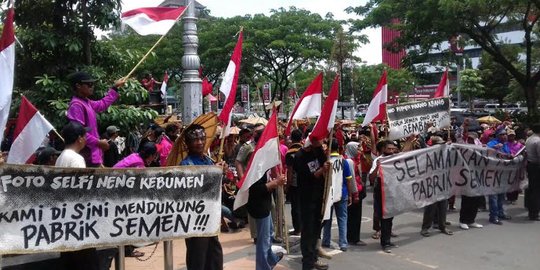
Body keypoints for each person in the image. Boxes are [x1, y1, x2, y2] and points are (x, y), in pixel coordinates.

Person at [56, 122, 115, 270]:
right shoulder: (76, 159)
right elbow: (82, 191)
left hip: (66, 223)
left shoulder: (61, 157)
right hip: (79, 224)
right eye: (84, 135)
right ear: (79, 139)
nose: (86, 139)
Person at [179, 124, 224, 270]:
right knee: (198, 257)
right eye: (195, 139)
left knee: (214, 255)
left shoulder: (208, 160)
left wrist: (219, 170)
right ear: (187, 143)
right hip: (195, 220)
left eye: (201, 138)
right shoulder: (186, 165)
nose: (199, 142)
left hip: (210, 217)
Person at [66, 71, 124, 167]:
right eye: (89, 84)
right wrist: (99, 142)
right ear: (78, 86)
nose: (92, 86)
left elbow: (101, 104)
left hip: (94, 155)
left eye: (92, 84)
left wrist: (115, 88)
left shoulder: (86, 102)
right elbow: (78, 133)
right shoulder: (76, 105)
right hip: (86, 154)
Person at [292, 136, 330, 270]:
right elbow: (307, 175)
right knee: (308, 231)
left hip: (319, 197)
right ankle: (307, 263)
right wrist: (321, 170)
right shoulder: (299, 156)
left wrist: (324, 156)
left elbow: (325, 163)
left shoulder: (317, 151)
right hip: (306, 199)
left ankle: (314, 257)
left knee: (316, 230)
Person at [247, 170, 286, 270]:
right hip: (259, 206)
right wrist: (276, 182)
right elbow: (256, 189)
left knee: (268, 235)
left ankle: (271, 259)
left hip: (265, 204)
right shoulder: (258, 166)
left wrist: (276, 181)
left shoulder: (265, 165)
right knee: (263, 241)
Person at [322, 139, 355, 252]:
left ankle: (326, 240)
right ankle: (343, 243)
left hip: (328, 194)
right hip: (342, 193)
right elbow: (349, 180)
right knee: (342, 218)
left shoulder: (326, 162)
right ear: (339, 148)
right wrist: (350, 194)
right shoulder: (344, 162)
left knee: (327, 218)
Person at [420, 136, 454, 237]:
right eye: (440, 143)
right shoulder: (428, 151)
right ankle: (425, 228)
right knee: (430, 208)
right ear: (434, 145)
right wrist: (425, 129)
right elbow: (422, 141)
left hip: (443, 184)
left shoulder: (445, 152)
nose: (442, 145)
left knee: (443, 207)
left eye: (443, 143)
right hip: (431, 185)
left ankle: (442, 226)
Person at [369, 140, 399, 253]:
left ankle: (388, 240)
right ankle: (385, 243)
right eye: (389, 149)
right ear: (383, 150)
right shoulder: (378, 160)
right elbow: (371, 178)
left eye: (393, 149)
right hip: (381, 191)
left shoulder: (394, 159)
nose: (391, 151)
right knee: (384, 217)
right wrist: (378, 167)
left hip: (392, 190)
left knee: (390, 216)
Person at [458, 133, 485, 230]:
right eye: (468, 139)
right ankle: (463, 221)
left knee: (475, 200)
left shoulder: (479, 149)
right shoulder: (463, 148)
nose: (470, 140)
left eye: (472, 139)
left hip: (477, 177)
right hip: (466, 177)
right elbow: (459, 137)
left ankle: (471, 220)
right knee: (466, 200)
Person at [343, 141, 367, 246]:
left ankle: (352, 237)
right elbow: (352, 179)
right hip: (354, 191)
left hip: (357, 190)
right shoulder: (349, 161)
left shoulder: (356, 159)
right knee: (354, 216)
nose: (360, 150)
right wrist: (355, 194)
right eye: (358, 148)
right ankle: (353, 238)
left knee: (354, 215)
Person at [486, 128, 512, 225]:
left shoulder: (505, 144)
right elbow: (486, 153)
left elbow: (507, 154)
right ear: (497, 136)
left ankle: (500, 213)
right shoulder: (491, 143)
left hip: (502, 173)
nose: (504, 136)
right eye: (502, 134)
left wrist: (510, 155)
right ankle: (493, 216)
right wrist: (495, 148)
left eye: (505, 134)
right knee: (493, 196)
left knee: (502, 195)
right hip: (492, 173)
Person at [285, 129, 304, 235]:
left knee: (295, 207)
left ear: (291, 139)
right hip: (306, 182)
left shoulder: (289, 153)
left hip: (295, 183)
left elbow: (290, 170)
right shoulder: (305, 149)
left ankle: (297, 228)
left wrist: (287, 185)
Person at [525, 123, 540, 221]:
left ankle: (531, 210)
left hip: (530, 165)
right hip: (537, 166)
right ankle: (534, 213)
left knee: (531, 189)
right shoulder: (538, 141)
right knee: (536, 191)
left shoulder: (529, 139)